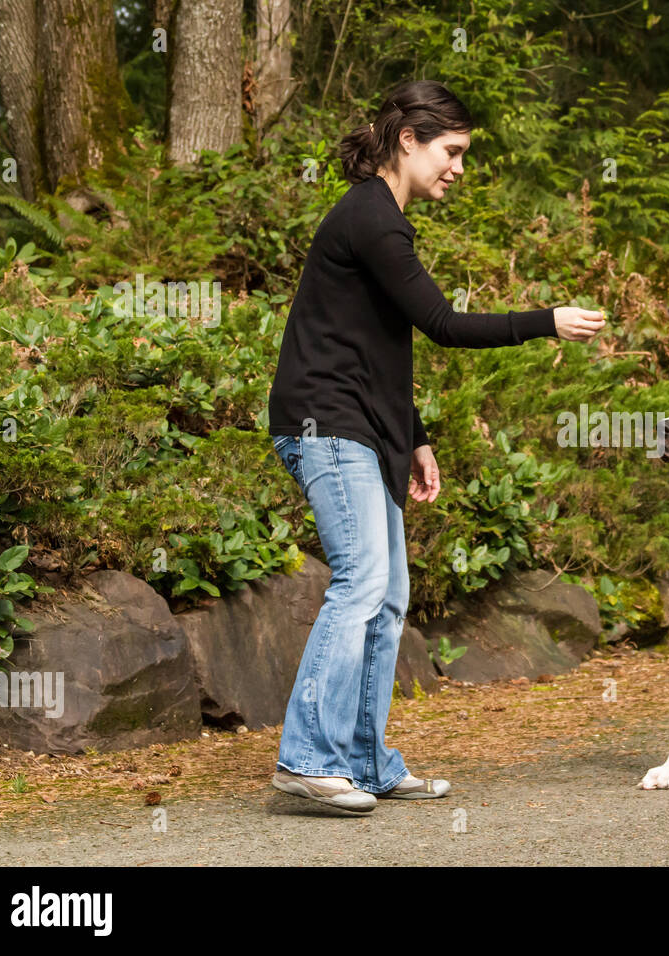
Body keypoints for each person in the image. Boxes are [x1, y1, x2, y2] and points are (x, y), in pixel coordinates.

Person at [267, 79, 606, 812]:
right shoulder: (373, 219)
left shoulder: (382, 219)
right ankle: (306, 757)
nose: (458, 167)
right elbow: (443, 324)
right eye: (450, 151)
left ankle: (362, 762)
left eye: (463, 153)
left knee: (388, 598)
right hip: (325, 425)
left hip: (360, 425)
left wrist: (414, 438)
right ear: (408, 140)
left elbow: (379, 348)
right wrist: (546, 319)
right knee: (362, 584)